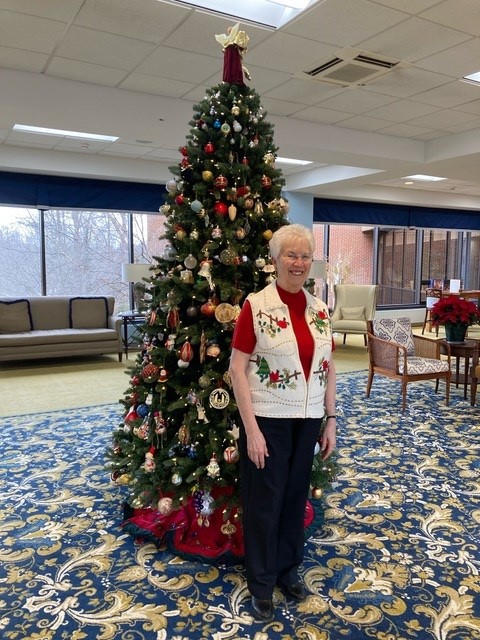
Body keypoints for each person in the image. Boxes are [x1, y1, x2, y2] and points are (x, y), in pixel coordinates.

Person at [229, 223, 337, 622]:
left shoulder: (319, 309)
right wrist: (251, 430)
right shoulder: (256, 306)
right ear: (275, 261)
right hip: (268, 420)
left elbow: (328, 366)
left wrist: (331, 419)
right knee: (264, 503)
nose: (298, 262)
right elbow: (237, 370)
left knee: (294, 500)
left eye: (305, 255)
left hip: (307, 419)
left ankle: (288, 570)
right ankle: (261, 582)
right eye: (290, 255)